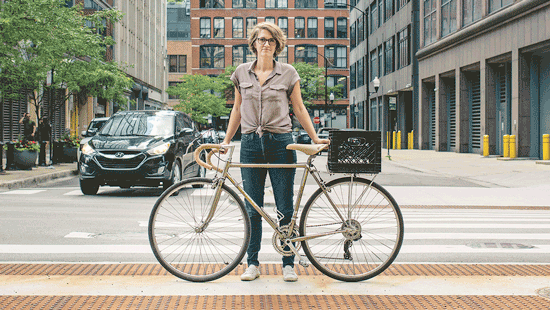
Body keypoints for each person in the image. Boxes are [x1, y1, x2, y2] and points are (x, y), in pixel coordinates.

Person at [221, 22, 330, 282]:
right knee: (253, 207)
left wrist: (315, 138)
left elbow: (299, 109)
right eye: (261, 39)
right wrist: (226, 141)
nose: (265, 44)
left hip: (281, 143)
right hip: (249, 145)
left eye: (270, 40)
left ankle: (288, 263)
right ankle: (252, 263)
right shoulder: (241, 73)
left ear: (277, 45)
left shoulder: (288, 73)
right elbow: (236, 110)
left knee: (284, 207)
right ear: (254, 44)